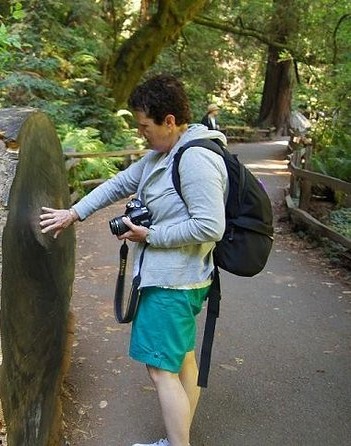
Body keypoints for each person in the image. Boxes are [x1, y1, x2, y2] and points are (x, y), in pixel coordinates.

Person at [39, 74, 227, 446]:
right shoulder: (165, 153)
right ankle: (179, 438)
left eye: (144, 125)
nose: (141, 133)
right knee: (182, 359)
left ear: (169, 121)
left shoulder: (195, 159)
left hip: (172, 283)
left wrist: (149, 235)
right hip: (178, 278)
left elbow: (210, 226)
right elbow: (118, 184)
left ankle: (177, 445)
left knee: (160, 370)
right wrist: (73, 213)